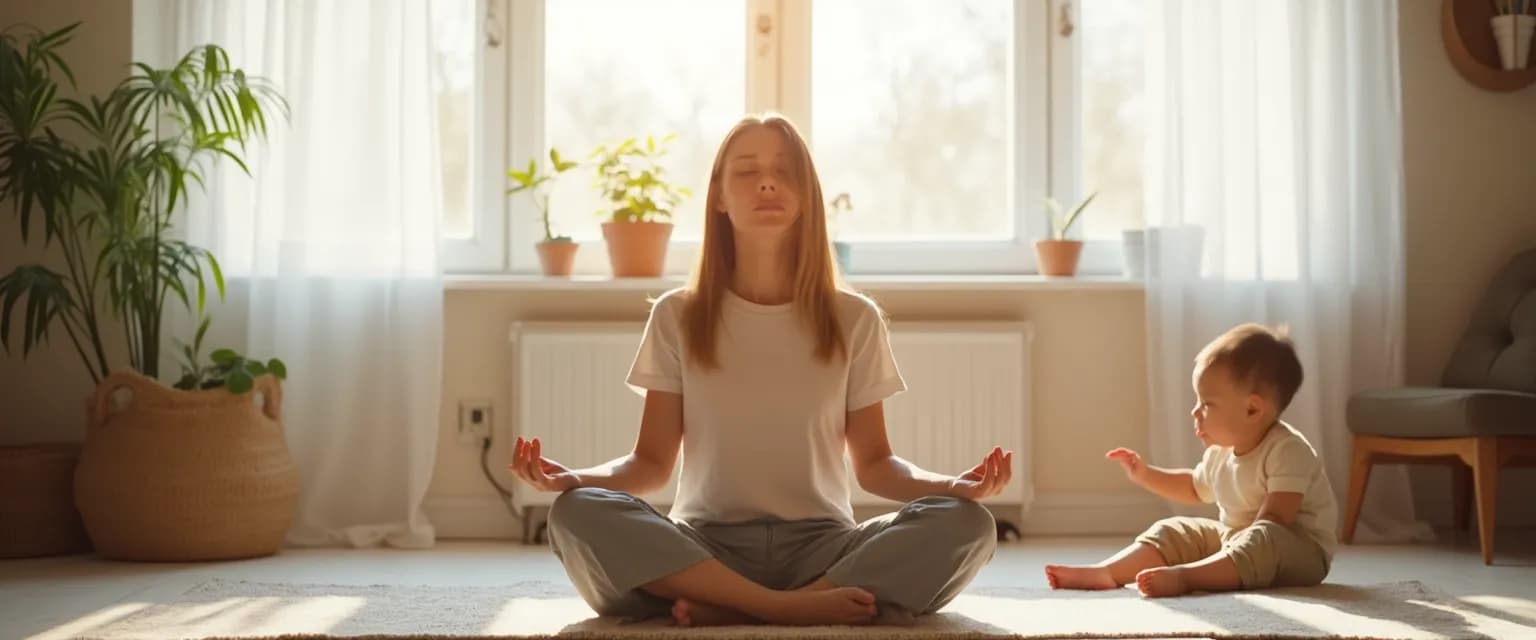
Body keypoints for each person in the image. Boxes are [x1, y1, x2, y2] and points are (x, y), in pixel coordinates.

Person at [507, 113, 1012, 626]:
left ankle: (733, 606)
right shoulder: (676, 316)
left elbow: (876, 465)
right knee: (575, 512)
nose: (767, 182)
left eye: (784, 170)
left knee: (968, 526)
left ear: (807, 195)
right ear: (718, 196)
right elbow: (651, 464)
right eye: (747, 170)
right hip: (703, 548)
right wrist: (576, 479)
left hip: (824, 548)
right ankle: (784, 608)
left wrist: (953, 487)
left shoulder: (854, 319)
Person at [1044, 323, 1337, 597]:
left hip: (1297, 552)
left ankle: (1188, 577)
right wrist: (1144, 473)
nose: (1195, 412)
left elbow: (1277, 518)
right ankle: (1109, 571)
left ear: (1252, 410)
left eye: (1207, 404)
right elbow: (1193, 488)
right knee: (1176, 530)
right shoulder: (1220, 453)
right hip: (1236, 538)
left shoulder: (1287, 450)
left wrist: (1233, 549)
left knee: (1264, 536)